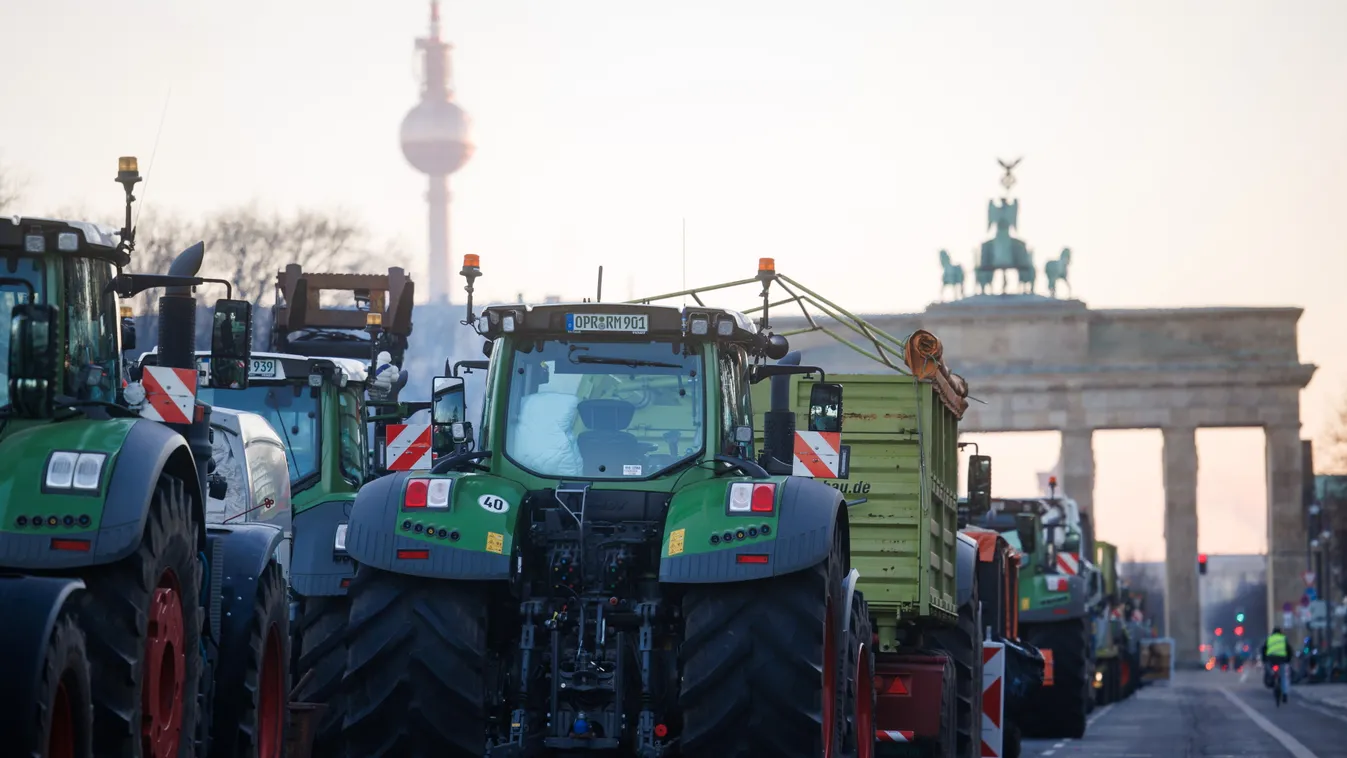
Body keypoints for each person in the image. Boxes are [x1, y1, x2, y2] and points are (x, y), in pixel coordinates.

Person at [1262, 627, 1290, 702]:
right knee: (1283, 677)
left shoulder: (1269, 638)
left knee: (1268, 669)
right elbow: (1289, 650)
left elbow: (1264, 649)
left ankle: (1272, 675)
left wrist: (1264, 660)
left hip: (1270, 659)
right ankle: (1284, 694)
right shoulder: (1283, 638)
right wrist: (1288, 659)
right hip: (1281, 659)